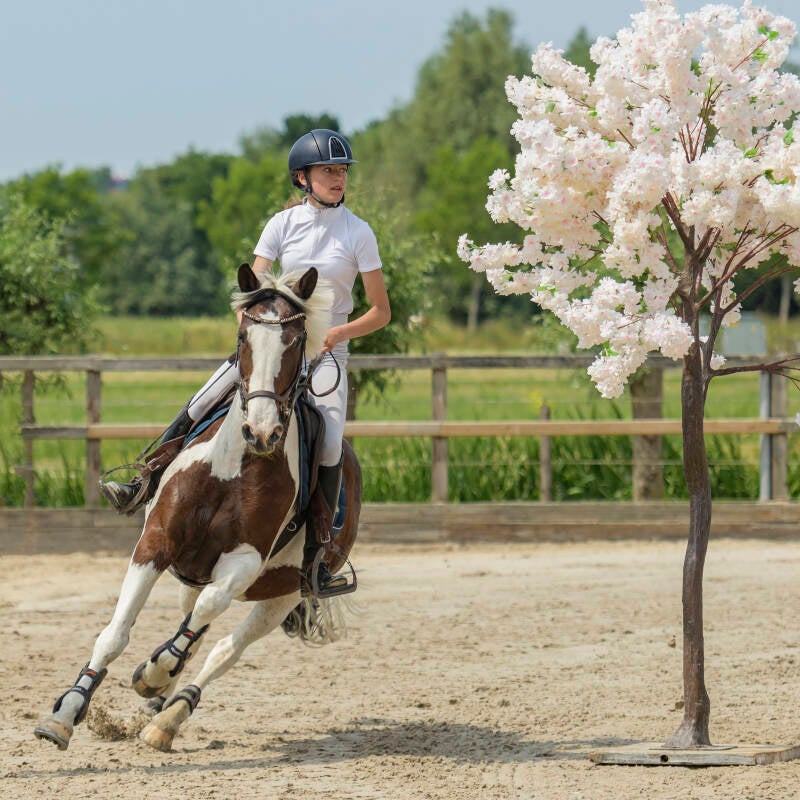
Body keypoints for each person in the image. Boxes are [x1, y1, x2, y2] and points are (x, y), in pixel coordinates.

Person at [100, 129, 391, 595]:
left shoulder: (358, 232)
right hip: (272, 347)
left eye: (342, 171)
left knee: (332, 444)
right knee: (200, 402)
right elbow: (249, 291)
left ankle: (318, 558)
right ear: (303, 177)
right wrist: (257, 332)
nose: (339, 179)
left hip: (325, 353)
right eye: (328, 171)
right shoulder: (280, 225)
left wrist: (336, 332)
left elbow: (381, 311)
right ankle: (144, 477)